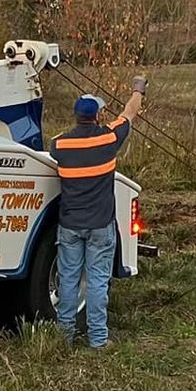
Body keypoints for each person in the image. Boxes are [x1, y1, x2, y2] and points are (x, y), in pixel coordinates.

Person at [49, 76, 146, 349]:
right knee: (96, 282)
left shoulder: (61, 145)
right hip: (101, 226)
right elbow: (129, 113)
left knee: (67, 281)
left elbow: (52, 144)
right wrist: (138, 88)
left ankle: (64, 337)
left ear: (76, 116)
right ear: (96, 116)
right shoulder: (108, 138)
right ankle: (98, 339)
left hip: (69, 225)